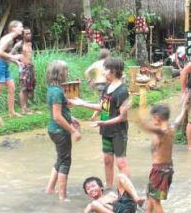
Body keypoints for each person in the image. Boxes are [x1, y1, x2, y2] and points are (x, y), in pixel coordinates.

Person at [70, 57, 130, 189]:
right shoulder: (107, 87)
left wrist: (104, 122)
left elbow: (122, 117)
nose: (103, 73)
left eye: (105, 70)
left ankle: (125, 192)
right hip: (106, 130)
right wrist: (83, 103)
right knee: (107, 160)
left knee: (121, 163)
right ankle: (109, 188)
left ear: (114, 71)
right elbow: (103, 107)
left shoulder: (122, 91)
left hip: (118, 132)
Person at [44, 60, 81, 201]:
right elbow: (57, 116)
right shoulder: (57, 92)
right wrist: (73, 131)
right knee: (65, 161)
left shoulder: (53, 89)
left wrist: (72, 118)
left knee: (60, 159)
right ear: (60, 74)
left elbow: (61, 112)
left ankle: (50, 188)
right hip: (60, 131)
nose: (67, 73)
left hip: (54, 130)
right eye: (65, 71)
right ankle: (62, 197)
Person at [138, 103, 175, 213]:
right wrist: (183, 105)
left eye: (153, 118)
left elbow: (144, 126)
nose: (152, 120)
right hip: (167, 168)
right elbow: (180, 117)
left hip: (159, 171)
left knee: (155, 201)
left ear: (157, 117)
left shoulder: (161, 131)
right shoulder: (171, 127)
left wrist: (134, 116)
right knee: (151, 196)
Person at [0, 20, 24, 120]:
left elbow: (5, 56)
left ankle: (12, 112)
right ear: (13, 28)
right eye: (20, 27)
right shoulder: (8, 39)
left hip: (5, 66)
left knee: (12, 88)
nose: (22, 28)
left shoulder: (11, 39)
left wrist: (15, 61)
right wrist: (16, 57)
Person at [80, 175, 145, 213]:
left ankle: (137, 198)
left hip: (127, 206)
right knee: (94, 204)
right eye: (88, 189)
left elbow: (120, 198)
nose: (91, 189)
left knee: (120, 176)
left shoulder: (110, 194)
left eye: (93, 186)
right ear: (87, 193)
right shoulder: (93, 204)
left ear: (101, 187)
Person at [84, 48, 110, 119]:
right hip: (105, 83)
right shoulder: (107, 63)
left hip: (98, 84)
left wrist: (90, 81)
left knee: (102, 101)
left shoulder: (96, 63)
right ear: (107, 56)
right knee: (105, 102)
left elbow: (86, 72)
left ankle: (93, 117)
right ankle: (104, 119)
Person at [18, 28, 36, 114]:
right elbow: (12, 54)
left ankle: (25, 107)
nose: (29, 35)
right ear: (23, 35)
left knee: (29, 88)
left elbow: (30, 56)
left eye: (29, 33)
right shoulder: (19, 45)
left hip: (30, 67)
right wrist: (18, 63)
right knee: (23, 88)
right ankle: (22, 109)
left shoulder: (30, 44)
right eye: (26, 34)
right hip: (23, 68)